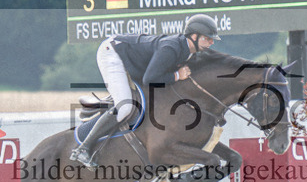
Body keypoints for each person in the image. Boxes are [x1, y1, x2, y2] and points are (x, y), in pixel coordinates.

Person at [69, 14, 221, 169]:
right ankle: (83, 149)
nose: (211, 42)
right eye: (207, 38)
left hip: (132, 59)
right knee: (125, 108)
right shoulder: (171, 48)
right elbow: (150, 79)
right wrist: (176, 75)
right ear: (194, 36)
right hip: (112, 53)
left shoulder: (189, 50)